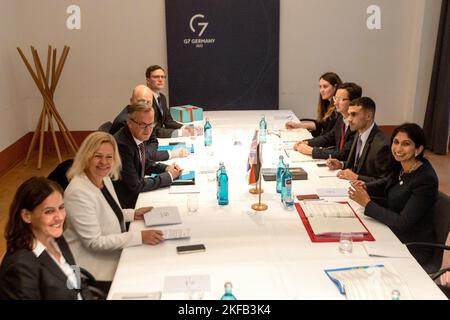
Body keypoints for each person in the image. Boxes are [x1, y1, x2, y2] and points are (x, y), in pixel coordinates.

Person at [63, 132, 165, 284]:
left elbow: (105, 213)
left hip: (113, 253)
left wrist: (133, 214)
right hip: (93, 270)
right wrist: (139, 237)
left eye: (109, 157)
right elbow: (94, 242)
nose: (104, 162)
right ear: (86, 157)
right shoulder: (78, 192)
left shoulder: (103, 177)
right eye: (98, 156)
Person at [348, 123, 439, 267]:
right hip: (392, 231)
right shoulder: (402, 165)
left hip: (411, 244)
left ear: (418, 149)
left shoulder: (425, 179)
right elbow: (387, 183)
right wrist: (365, 186)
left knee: (356, 252)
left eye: (406, 144)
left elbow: (402, 223)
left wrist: (367, 204)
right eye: (396, 142)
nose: (398, 149)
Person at [0, 177, 93, 300]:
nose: (59, 217)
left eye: (61, 207)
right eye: (49, 211)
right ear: (27, 216)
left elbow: (77, 282)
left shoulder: (56, 239)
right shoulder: (19, 267)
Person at [113, 102, 183, 209]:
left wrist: (166, 168)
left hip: (135, 195)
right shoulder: (122, 146)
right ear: (129, 123)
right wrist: (169, 176)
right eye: (142, 124)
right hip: (127, 204)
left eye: (151, 124)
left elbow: (143, 163)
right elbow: (136, 185)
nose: (148, 130)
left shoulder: (137, 135)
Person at [110, 84, 189, 160]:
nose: (145, 105)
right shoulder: (125, 122)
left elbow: (153, 140)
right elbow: (136, 156)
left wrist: (148, 154)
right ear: (131, 101)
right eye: (141, 101)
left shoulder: (146, 116)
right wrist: (170, 154)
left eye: (148, 102)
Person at [326, 97, 390, 182]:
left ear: (368, 116)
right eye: (348, 114)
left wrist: (356, 177)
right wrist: (341, 165)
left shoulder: (382, 144)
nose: (349, 119)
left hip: (369, 193)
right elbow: (357, 166)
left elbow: (385, 181)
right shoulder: (359, 133)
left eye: (353, 114)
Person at [293, 82, 361, 160]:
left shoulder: (358, 124)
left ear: (353, 102)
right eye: (335, 98)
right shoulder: (341, 118)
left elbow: (344, 155)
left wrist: (312, 151)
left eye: (340, 99)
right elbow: (329, 137)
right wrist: (307, 142)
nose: (335, 103)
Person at [146, 65, 201, 138]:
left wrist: (184, 127)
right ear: (148, 80)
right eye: (156, 77)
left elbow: (168, 121)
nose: (160, 79)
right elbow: (153, 130)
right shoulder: (146, 99)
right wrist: (181, 133)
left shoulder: (162, 97)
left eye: (163, 77)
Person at [285, 72, 342, 137]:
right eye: (320, 87)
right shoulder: (327, 103)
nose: (321, 90)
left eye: (325, 87)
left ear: (335, 87)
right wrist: (297, 125)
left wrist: (308, 142)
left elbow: (329, 134)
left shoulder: (338, 109)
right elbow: (321, 125)